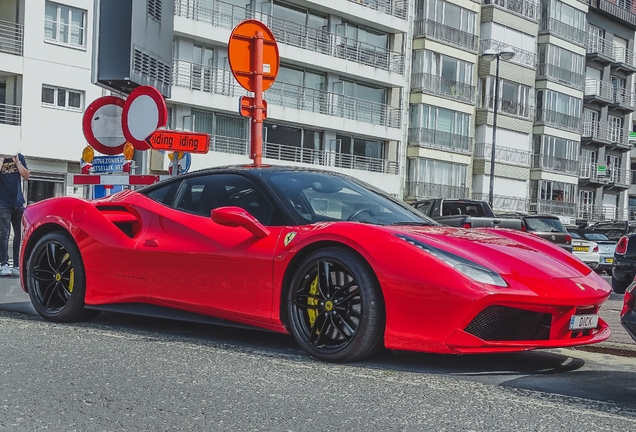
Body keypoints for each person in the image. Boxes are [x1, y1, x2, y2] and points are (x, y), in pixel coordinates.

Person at [0, 153, 29, 277]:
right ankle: (4, 264)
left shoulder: (18, 156)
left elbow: (27, 176)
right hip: (3, 203)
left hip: (18, 202)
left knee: (20, 234)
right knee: (4, 234)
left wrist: (17, 163)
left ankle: (17, 265)